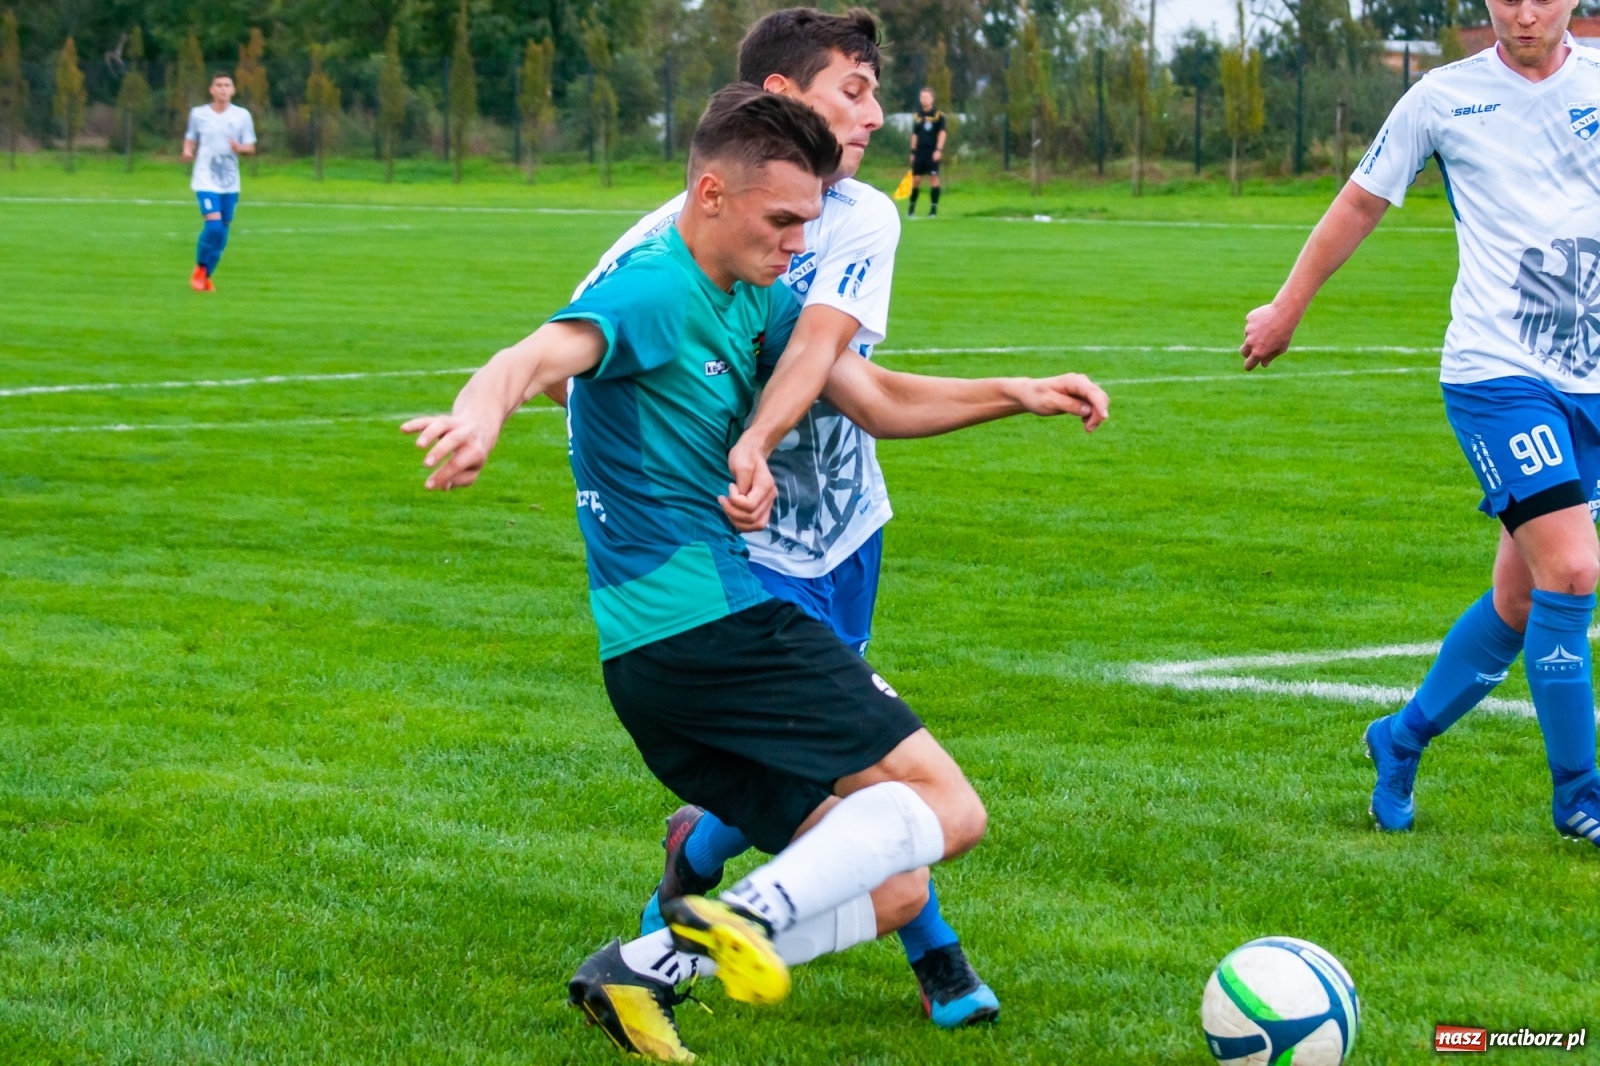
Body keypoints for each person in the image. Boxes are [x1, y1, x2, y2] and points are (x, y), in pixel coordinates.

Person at [404, 85, 1016, 1064]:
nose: (794, 244)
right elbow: (535, 354)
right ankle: (721, 918)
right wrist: (481, 412)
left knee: (893, 885)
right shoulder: (652, 288)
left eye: (807, 226)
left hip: (652, 666)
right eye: (780, 222)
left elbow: (873, 394)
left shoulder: (759, 299)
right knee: (949, 810)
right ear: (710, 194)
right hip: (715, 626)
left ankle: (636, 968)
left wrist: (1017, 394)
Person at [567, 7, 1107, 1029]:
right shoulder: (659, 246)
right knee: (888, 780)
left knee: (839, 769)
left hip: (845, 532)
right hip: (739, 560)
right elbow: (589, 365)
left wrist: (1013, 391)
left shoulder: (851, 213)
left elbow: (853, 382)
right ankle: (935, 956)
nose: (875, 112)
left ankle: (683, 889)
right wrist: (728, 440)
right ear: (779, 101)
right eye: (852, 90)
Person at [1239, 0, 1600, 847]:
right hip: (1496, 374)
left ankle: (1398, 740)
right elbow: (1360, 202)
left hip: (1591, 378)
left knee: (1521, 599)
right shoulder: (1442, 98)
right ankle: (1581, 796)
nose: (1522, 11)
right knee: (1576, 572)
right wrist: (1288, 307)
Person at [181, 73, 255, 292]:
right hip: (205, 179)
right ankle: (200, 268)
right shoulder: (199, 114)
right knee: (213, 226)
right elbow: (190, 137)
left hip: (230, 183)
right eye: (219, 85)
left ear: (233, 90)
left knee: (222, 233)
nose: (223, 89)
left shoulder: (242, 116)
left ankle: (206, 275)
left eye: (227, 85)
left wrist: (240, 148)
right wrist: (187, 150)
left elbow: (250, 148)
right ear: (211, 90)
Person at [907, 87, 946, 218]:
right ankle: (911, 210)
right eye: (922, 97)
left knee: (933, 178)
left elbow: (942, 133)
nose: (924, 99)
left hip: (932, 152)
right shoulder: (917, 116)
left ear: (932, 99)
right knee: (916, 179)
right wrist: (912, 151)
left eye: (927, 97)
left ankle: (933, 210)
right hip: (920, 152)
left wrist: (939, 150)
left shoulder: (938, 116)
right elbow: (915, 135)